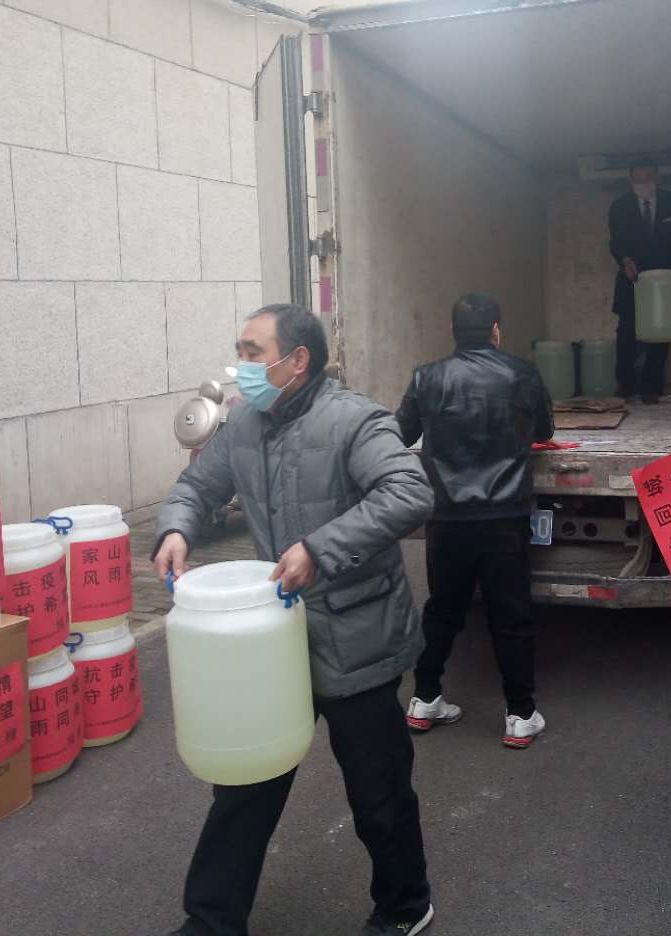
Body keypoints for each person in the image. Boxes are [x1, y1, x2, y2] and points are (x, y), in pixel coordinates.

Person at [153, 304, 437, 936]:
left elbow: (409, 492)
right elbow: (198, 487)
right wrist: (176, 529)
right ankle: (212, 920)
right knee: (247, 781)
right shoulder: (243, 423)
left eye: (253, 353)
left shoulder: (354, 419)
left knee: (378, 792)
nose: (242, 366)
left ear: (298, 360)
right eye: (240, 352)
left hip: (357, 639)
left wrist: (319, 548)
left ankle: (405, 905)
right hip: (275, 640)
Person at [396, 293, 555, 749]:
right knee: (511, 615)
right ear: (496, 331)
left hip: (447, 517)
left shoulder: (426, 377)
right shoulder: (522, 373)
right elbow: (545, 431)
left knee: (442, 610)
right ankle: (520, 714)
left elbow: (401, 433)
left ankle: (425, 697)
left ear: (452, 331)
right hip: (504, 516)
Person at [608, 163, 671, 403]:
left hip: (665, 278)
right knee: (627, 331)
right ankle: (625, 386)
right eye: (638, 178)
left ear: (657, 177)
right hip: (632, 277)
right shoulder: (619, 206)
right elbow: (615, 242)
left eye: (648, 177)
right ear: (630, 181)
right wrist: (624, 260)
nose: (643, 182)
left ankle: (652, 388)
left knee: (662, 330)